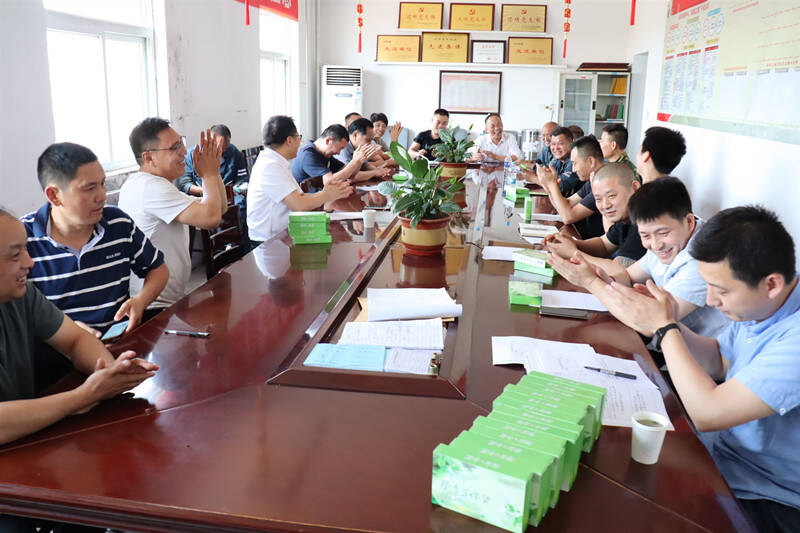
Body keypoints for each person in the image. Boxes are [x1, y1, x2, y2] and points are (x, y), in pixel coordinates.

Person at [595, 206, 800, 532]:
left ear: (771, 284)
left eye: (721, 290)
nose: (712, 300)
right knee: (605, 451)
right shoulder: (762, 306)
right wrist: (666, 319)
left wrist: (665, 329)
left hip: (765, 494)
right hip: (719, 453)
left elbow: (708, 412)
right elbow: (719, 358)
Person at [0, 208, 158, 446]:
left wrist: (111, 372)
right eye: (15, 256)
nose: (29, 262)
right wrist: (82, 397)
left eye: (26, 250)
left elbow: (75, 340)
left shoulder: (22, 295)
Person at [546, 177, 728, 351]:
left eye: (663, 233)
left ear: (689, 222)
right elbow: (628, 276)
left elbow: (652, 322)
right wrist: (602, 278)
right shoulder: (668, 240)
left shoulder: (701, 259)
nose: (655, 245)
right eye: (645, 236)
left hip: (700, 363)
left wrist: (590, 282)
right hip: (669, 347)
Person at [23, 142, 168, 336]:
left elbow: (158, 269)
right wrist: (64, 332)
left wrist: (140, 301)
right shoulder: (23, 239)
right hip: (56, 351)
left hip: (118, 341)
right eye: (89, 188)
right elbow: (14, 312)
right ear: (54, 195)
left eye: (102, 184)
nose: (102, 195)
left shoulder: (118, 223)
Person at [119, 118, 227, 309]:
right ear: (148, 158)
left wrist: (213, 170)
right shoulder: (150, 187)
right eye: (175, 147)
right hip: (153, 305)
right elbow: (211, 218)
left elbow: (219, 208)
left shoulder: (150, 184)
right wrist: (208, 175)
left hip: (169, 300)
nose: (184, 152)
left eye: (181, 143)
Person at [248, 116, 352, 243]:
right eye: (299, 137)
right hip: (268, 243)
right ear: (289, 140)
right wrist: (327, 194)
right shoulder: (270, 166)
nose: (300, 141)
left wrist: (329, 194)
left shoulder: (277, 162)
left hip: (285, 236)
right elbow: (299, 204)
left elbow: (300, 197)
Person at [544, 162, 645, 267]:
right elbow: (604, 244)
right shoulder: (626, 216)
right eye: (598, 199)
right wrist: (571, 243)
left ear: (635, 187)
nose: (605, 205)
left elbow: (619, 269)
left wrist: (573, 253)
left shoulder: (644, 220)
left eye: (611, 196)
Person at [176, 124, 251, 250]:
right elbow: (185, 185)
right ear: (209, 141)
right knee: (217, 209)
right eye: (218, 147)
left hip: (232, 194)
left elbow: (242, 179)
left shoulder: (233, 152)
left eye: (224, 149)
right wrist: (207, 190)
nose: (221, 152)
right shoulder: (192, 155)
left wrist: (238, 188)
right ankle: (221, 247)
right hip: (204, 195)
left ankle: (241, 248)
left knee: (241, 206)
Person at [534, 135, 605, 238]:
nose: (573, 170)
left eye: (575, 163)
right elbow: (566, 203)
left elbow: (568, 217)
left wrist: (552, 185)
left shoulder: (603, 183)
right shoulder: (592, 179)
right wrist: (549, 187)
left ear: (591, 161)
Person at [291, 124, 379, 187]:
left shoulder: (325, 155)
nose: (339, 153)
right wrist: (355, 161)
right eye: (340, 148)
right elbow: (329, 182)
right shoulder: (308, 155)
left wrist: (359, 161)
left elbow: (350, 174)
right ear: (328, 141)